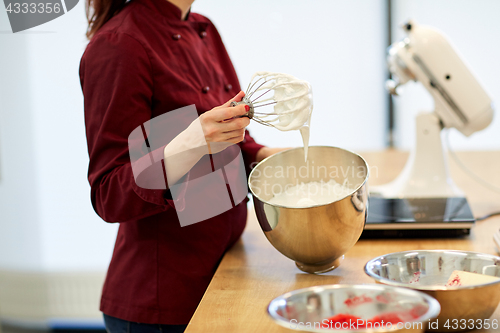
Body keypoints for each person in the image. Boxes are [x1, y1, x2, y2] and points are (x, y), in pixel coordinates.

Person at [80, 0, 282, 332]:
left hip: (222, 269)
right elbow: (108, 193)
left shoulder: (204, 28)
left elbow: (228, 136)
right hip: (162, 305)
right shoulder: (119, 45)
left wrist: (265, 155)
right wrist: (189, 143)